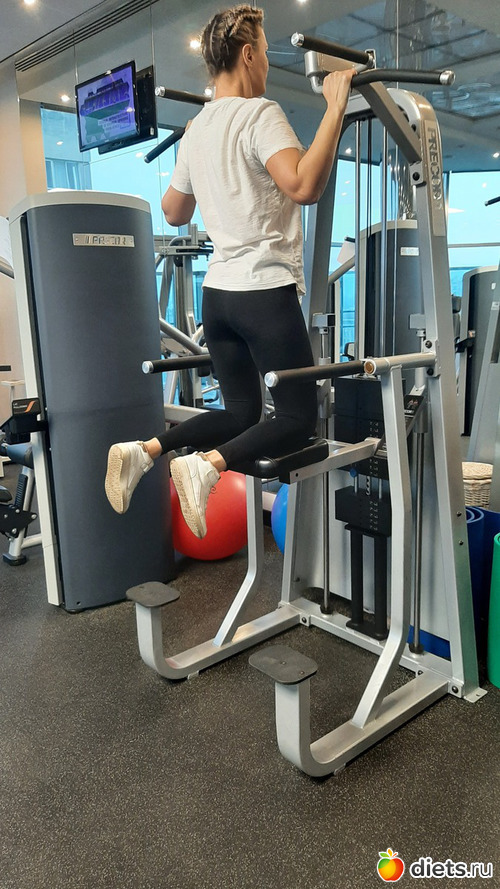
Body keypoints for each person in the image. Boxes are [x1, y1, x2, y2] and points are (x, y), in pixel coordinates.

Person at [105, 4, 355, 539]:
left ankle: (145, 450)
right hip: (264, 292)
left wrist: (206, 168)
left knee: (241, 411)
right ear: (247, 54)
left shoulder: (197, 128)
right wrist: (336, 106)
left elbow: (174, 211)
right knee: (297, 417)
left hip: (217, 296)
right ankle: (206, 467)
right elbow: (304, 185)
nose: (265, 61)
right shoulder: (260, 114)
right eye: (263, 51)